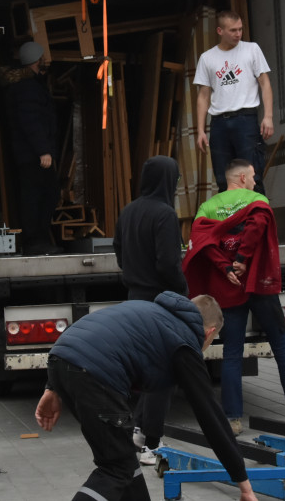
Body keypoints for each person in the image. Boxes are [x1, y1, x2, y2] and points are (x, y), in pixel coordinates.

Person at [34, 292, 258, 501]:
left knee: (124, 462)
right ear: (209, 333)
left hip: (63, 357)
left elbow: (91, 340)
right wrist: (243, 483)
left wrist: (52, 386)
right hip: (97, 376)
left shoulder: (152, 313)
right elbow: (211, 416)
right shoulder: (185, 342)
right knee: (116, 469)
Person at [183, 158, 285, 435]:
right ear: (241, 178)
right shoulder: (257, 200)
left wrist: (225, 266)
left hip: (228, 284)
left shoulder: (208, 207)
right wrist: (243, 258)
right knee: (282, 345)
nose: (255, 180)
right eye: (252, 176)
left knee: (232, 353)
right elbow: (257, 226)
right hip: (259, 284)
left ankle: (232, 420)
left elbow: (202, 241)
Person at [113, 155, 187, 465]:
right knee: (164, 373)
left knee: (143, 371)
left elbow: (118, 251)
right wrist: (182, 290)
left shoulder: (128, 211)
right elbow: (168, 262)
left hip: (134, 298)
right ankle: (150, 442)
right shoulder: (165, 214)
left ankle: (137, 433)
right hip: (160, 300)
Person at [194, 10, 274, 195]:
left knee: (252, 176)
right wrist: (200, 130)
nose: (238, 34)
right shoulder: (207, 58)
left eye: (240, 29)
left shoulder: (251, 49)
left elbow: (265, 83)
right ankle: (232, 223)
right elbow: (203, 95)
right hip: (219, 122)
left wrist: (268, 116)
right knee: (223, 179)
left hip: (245, 119)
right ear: (220, 31)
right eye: (233, 30)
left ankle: (257, 221)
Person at [5, 41, 62, 255]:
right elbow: (31, 122)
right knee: (41, 195)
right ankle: (35, 241)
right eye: (42, 58)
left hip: (30, 154)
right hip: (33, 155)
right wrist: (43, 151)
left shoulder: (28, 85)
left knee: (40, 194)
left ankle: (37, 240)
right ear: (37, 60)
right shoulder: (27, 88)